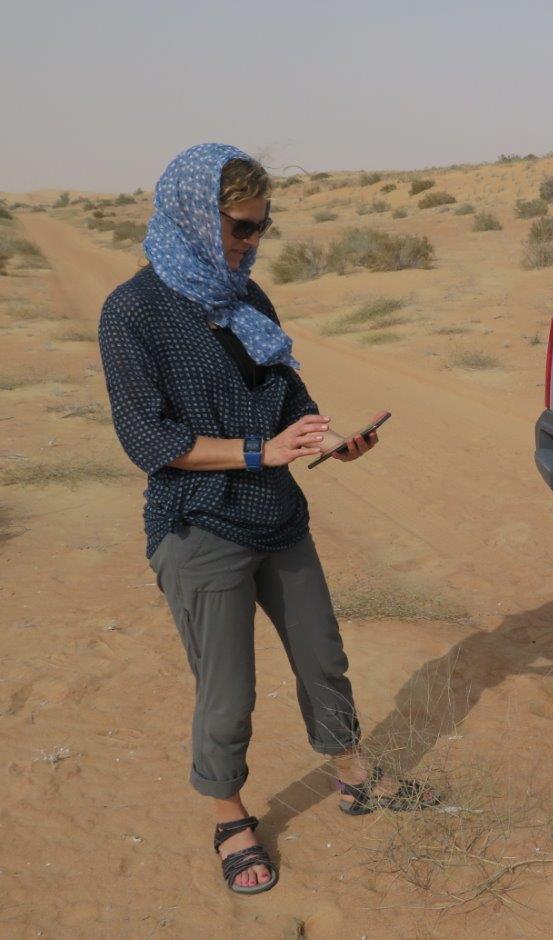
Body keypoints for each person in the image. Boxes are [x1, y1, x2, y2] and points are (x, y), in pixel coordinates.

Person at [98, 143, 436, 896]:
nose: (251, 243)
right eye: (240, 228)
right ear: (194, 218)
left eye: (262, 227)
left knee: (323, 659)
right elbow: (149, 440)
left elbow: (286, 396)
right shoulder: (131, 311)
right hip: (198, 523)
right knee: (228, 692)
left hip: (278, 514)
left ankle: (353, 773)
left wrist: (326, 437)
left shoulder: (246, 296)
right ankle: (231, 818)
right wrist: (260, 451)